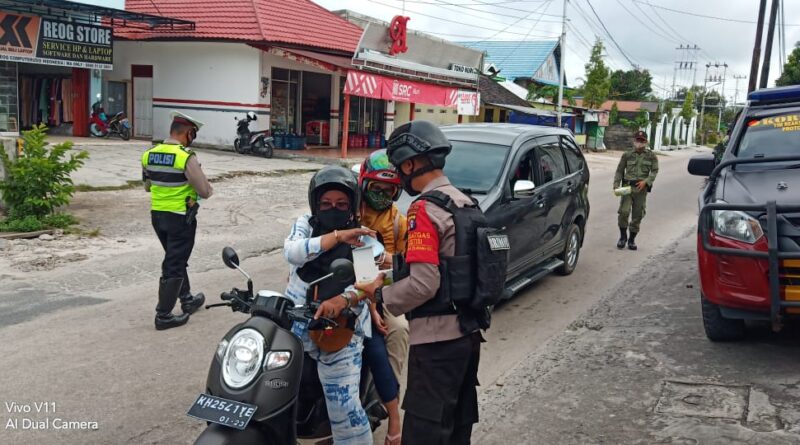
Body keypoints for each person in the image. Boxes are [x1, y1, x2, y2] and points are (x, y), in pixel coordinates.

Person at [357, 120, 483, 445]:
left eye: (400, 168)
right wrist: (389, 271)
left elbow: (424, 284)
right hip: (469, 336)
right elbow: (450, 270)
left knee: (424, 433)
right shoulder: (464, 203)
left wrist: (380, 296)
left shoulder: (423, 210)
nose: (399, 176)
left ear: (412, 163)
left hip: (437, 344)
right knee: (456, 430)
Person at [283, 165, 376, 445]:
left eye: (340, 204)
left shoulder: (362, 237)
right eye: (325, 203)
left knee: (345, 410)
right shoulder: (305, 225)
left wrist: (343, 299)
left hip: (340, 333)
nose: (332, 209)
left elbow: (368, 283)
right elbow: (293, 252)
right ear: (315, 204)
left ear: (352, 206)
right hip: (295, 324)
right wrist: (336, 237)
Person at [357, 149, 410, 445]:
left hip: (382, 289)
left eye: (389, 190)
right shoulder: (351, 209)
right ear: (365, 185)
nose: (382, 195)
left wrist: (385, 258)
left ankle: (383, 396)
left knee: (399, 329)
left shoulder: (399, 222)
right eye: (377, 189)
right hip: (347, 284)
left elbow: (404, 264)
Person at [142, 111, 212, 330]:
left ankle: (187, 300)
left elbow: (147, 186)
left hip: (158, 215)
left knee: (175, 257)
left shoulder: (149, 154)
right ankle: (163, 315)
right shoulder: (185, 156)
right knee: (174, 262)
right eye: (194, 134)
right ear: (188, 133)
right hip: (181, 217)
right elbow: (204, 190)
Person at [614, 130, 659, 251]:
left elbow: (654, 171)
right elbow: (619, 170)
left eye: (642, 141)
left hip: (641, 189)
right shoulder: (627, 154)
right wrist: (616, 184)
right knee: (623, 212)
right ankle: (623, 236)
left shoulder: (651, 156)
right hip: (627, 187)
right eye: (638, 140)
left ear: (646, 142)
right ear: (634, 141)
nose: (639, 143)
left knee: (638, 215)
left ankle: (632, 239)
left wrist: (646, 181)